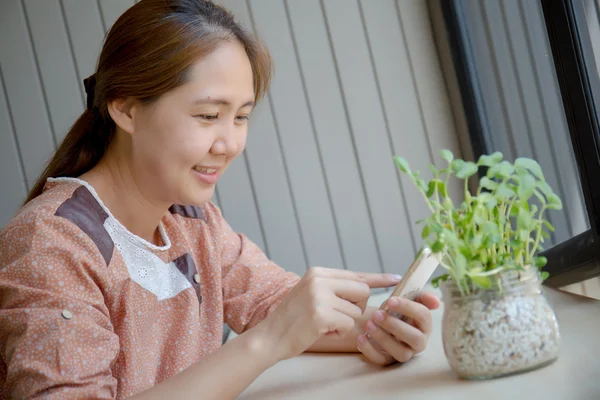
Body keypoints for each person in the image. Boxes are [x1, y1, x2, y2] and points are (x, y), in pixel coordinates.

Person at [0, 1, 440, 399]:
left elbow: (273, 305)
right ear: (125, 108)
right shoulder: (49, 246)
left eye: (242, 116)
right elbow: (276, 327)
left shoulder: (193, 219)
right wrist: (269, 340)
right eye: (208, 116)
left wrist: (374, 332)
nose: (229, 143)